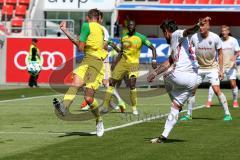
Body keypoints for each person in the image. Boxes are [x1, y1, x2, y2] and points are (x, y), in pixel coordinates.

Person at [147, 17, 210, 143]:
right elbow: (168, 62)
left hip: (183, 76)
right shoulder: (178, 45)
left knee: (166, 76)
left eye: (163, 32)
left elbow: (188, 31)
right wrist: (155, 72)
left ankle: (174, 99)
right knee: (175, 107)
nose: (164, 36)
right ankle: (163, 137)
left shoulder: (176, 34)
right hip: (194, 80)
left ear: (167, 31)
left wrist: (198, 25)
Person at [53, 9, 106, 137]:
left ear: (88, 18)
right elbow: (91, 45)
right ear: (97, 18)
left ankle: (99, 120)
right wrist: (67, 32)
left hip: (94, 64)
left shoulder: (86, 26)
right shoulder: (101, 29)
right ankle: (64, 107)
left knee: (88, 98)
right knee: (75, 83)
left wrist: (67, 32)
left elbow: (80, 47)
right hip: (88, 60)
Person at [180, 19, 232, 121]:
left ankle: (227, 114)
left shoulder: (215, 38)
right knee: (192, 90)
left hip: (212, 68)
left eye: (203, 25)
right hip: (199, 68)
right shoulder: (194, 37)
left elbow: (220, 54)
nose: (201, 28)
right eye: (200, 25)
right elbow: (190, 52)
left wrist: (221, 70)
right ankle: (189, 114)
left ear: (208, 26)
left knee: (217, 90)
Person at [102, 20, 157, 115]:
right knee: (111, 83)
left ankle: (134, 108)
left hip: (133, 64)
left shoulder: (141, 37)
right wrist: (115, 63)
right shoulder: (124, 37)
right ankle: (105, 106)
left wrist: (154, 60)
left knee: (132, 84)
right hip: (122, 63)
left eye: (133, 25)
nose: (131, 27)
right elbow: (121, 52)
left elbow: (153, 48)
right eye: (129, 26)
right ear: (127, 27)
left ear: (135, 26)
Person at [80, 11, 126, 111]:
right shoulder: (94, 28)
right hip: (93, 59)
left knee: (105, 83)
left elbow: (105, 45)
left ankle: (118, 102)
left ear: (100, 19)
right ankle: (107, 103)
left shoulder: (102, 29)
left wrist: (91, 46)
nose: (98, 20)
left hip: (102, 59)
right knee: (86, 82)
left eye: (99, 18)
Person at [207, 25, 240, 108]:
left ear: (228, 31)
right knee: (214, 83)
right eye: (222, 31)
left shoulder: (233, 40)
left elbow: (238, 51)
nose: (224, 32)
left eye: (225, 31)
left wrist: (235, 57)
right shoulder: (219, 41)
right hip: (219, 66)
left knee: (233, 84)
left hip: (230, 66)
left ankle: (235, 102)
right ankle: (209, 101)